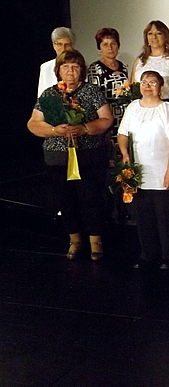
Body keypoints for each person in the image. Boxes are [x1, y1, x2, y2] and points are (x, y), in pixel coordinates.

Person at [28, 49, 113, 261]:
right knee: (65, 201)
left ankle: (96, 243)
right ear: (58, 70)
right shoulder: (49, 94)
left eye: (75, 67)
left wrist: (85, 129)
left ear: (81, 70)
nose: (70, 71)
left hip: (89, 156)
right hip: (58, 158)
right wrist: (54, 130)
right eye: (65, 67)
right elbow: (33, 124)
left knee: (91, 199)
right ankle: (74, 241)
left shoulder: (91, 91)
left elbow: (106, 119)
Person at [118, 71, 169, 270]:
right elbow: (122, 133)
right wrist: (124, 153)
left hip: (162, 172)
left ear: (161, 88)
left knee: (165, 218)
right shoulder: (132, 107)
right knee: (143, 217)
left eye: (152, 83)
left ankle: (168, 257)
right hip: (139, 173)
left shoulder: (167, 109)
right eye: (144, 82)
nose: (147, 86)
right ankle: (147, 254)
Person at [130, 20, 169, 110]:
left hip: (166, 107)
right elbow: (132, 86)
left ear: (165, 37)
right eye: (150, 34)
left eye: (159, 33)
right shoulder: (139, 60)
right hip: (142, 109)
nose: (154, 37)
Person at [87, 28, 129, 143]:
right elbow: (94, 97)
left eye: (113, 44)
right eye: (105, 45)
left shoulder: (124, 67)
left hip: (124, 117)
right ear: (99, 48)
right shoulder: (94, 68)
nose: (110, 48)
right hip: (107, 117)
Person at [37, 27, 76, 97]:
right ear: (54, 45)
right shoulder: (45, 68)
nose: (63, 49)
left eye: (67, 45)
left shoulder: (79, 66)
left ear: (72, 46)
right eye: (59, 44)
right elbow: (41, 96)